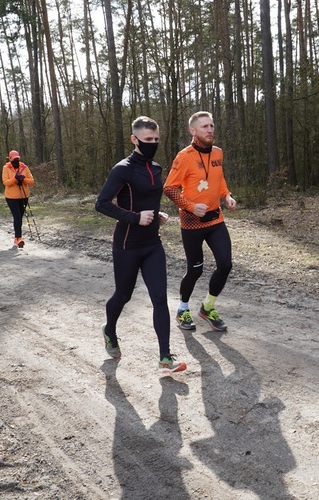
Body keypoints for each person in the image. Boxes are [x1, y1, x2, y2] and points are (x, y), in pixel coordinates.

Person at [95, 116, 186, 374]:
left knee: (159, 298)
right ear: (134, 139)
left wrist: (156, 216)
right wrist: (135, 218)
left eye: (156, 139)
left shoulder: (156, 168)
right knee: (123, 295)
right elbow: (101, 203)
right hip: (127, 245)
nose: (153, 144)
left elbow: (148, 200)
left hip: (152, 245)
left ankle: (165, 359)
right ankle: (109, 330)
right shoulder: (122, 169)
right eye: (148, 140)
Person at [164, 111, 237, 332]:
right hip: (192, 223)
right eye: (204, 126)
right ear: (193, 131)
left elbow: (219, 177)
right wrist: (190, 206)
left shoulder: (218, 153)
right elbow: (168, 188)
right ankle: (182, 310)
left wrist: (227, 195)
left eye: (212, 125)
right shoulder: (184, 156)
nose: (210, 130)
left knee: (225, 264)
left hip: (215, 219)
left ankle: (207, 307)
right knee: (195, 270)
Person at [1, 150, 35, 248]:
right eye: (14, 159)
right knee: (16, 217)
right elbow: (6, 182)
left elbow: (32, 182)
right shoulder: (6, 168)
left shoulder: (24, 167)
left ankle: (17, 238)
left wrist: (23, 179)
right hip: (11, 197)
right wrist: (15, 179)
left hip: (24, 196)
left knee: (19, 217)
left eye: (17, 159)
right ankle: (19, 238)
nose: (16, 161)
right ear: (10, 159)